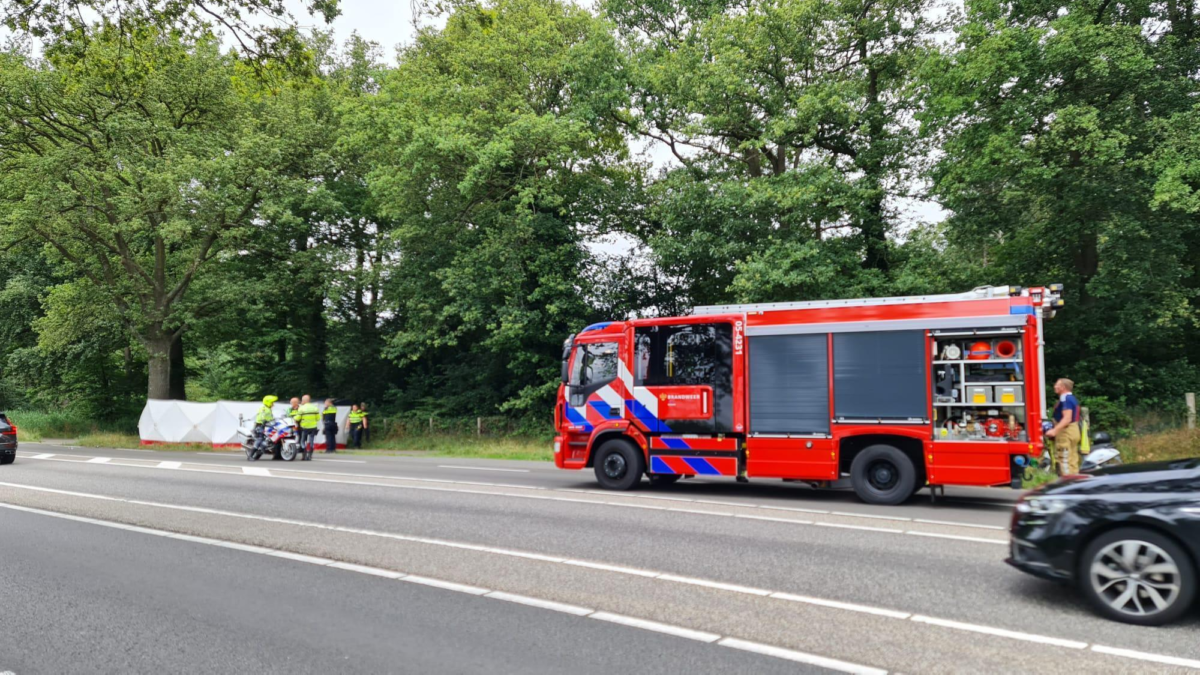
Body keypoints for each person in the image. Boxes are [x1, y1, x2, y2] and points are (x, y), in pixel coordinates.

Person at [1046, 378, 1082, 475]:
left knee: (1064, 458)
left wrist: (1054, 431)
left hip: (1066, 431)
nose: (1055, 386)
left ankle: (1067, 482)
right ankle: (1075, 480)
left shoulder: (1065, 398)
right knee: (1073, 458)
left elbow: (1067, 418)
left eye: (1057, 385)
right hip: (1074, 430)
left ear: (1063, 387)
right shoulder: (1072, 398)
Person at [297, 394, 321, 461]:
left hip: (305, 427)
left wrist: (294, 417)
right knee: (311, 441)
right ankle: (310, 455)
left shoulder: (301, 408)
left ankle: (304, 455)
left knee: (303, 441)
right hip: (313, 427)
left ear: (304, 400)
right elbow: (318, 418)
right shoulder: (315, 408)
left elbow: (298, 418)